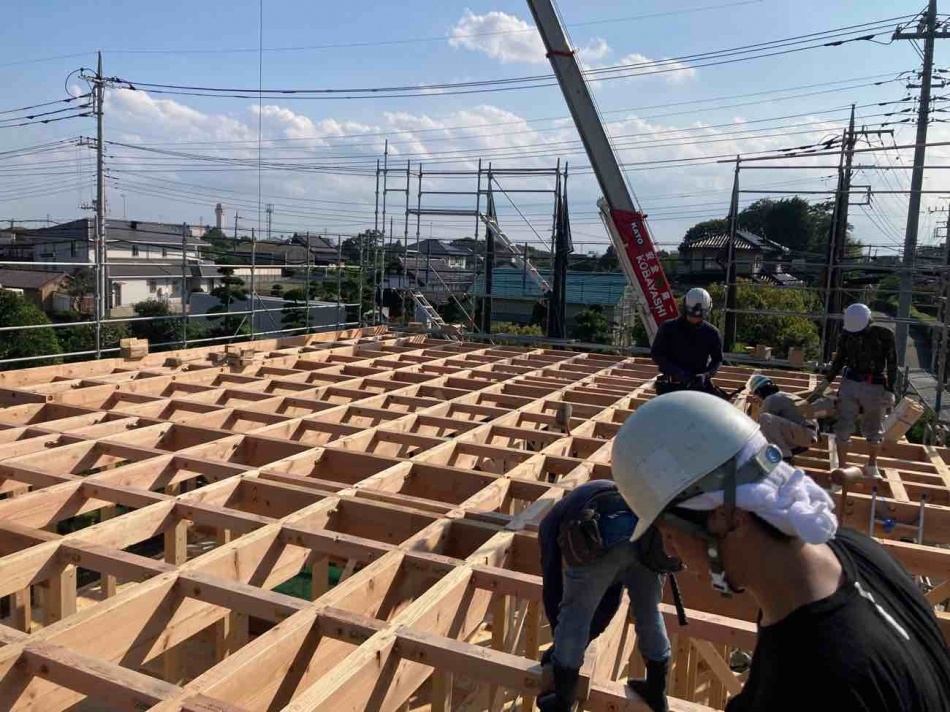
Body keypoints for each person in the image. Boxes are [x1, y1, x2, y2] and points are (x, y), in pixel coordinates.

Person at [611, 391, 950, 712]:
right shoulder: (858, 551)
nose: (670, 551)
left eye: (670, 533)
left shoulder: (810, 685)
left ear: (727, 515)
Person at [537, 480, 680, 712]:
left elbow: (554, 586)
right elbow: (609, 600)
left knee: (575, 616)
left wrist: (560, 641)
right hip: (647, 538)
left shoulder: (551, 525)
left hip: (607, 536)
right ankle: (656, 691)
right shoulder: (604, 494)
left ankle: (562, 699)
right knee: (650, 611)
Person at [810, 303, 897, 478]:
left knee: (850, 427)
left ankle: (854, 467)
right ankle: (863, 466)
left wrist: (826, 383)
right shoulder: (882, 334)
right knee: (869, 429)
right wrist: (890, 389)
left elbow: (838, 362)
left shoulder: (851, 334)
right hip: (870, 386)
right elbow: (892, 363)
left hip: (854, 384)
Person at [651, 288, 725, 397]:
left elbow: (717, 359)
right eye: (691, 315)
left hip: (698, 389)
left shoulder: (711, 333)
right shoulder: (668, 328)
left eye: (698, 317)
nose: (694, 319)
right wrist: (677, 372)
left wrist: (706, 375)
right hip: (670, 388)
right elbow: (656, 355)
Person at [747, 374, 818, 462]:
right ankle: (789, 451)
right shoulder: (783, 396)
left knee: (765, 419)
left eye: (756, 396)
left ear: (759, 392)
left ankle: (784, 457)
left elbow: (759, 427)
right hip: (808, 433)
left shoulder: (770, 399)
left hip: (804, 434)